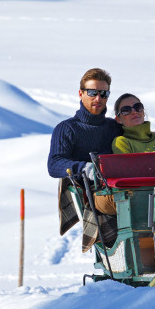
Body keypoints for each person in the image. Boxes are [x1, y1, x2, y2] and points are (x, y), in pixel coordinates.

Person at [47, 68, 121, 251]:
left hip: (119, 186)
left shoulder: (114, 127)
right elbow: (54, 163)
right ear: (81, 93)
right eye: (92, 92)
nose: (98, 98)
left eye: (103, 93)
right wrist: (83, 168)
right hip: (94, 194)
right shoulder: (66, 129)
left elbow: (140, 136)